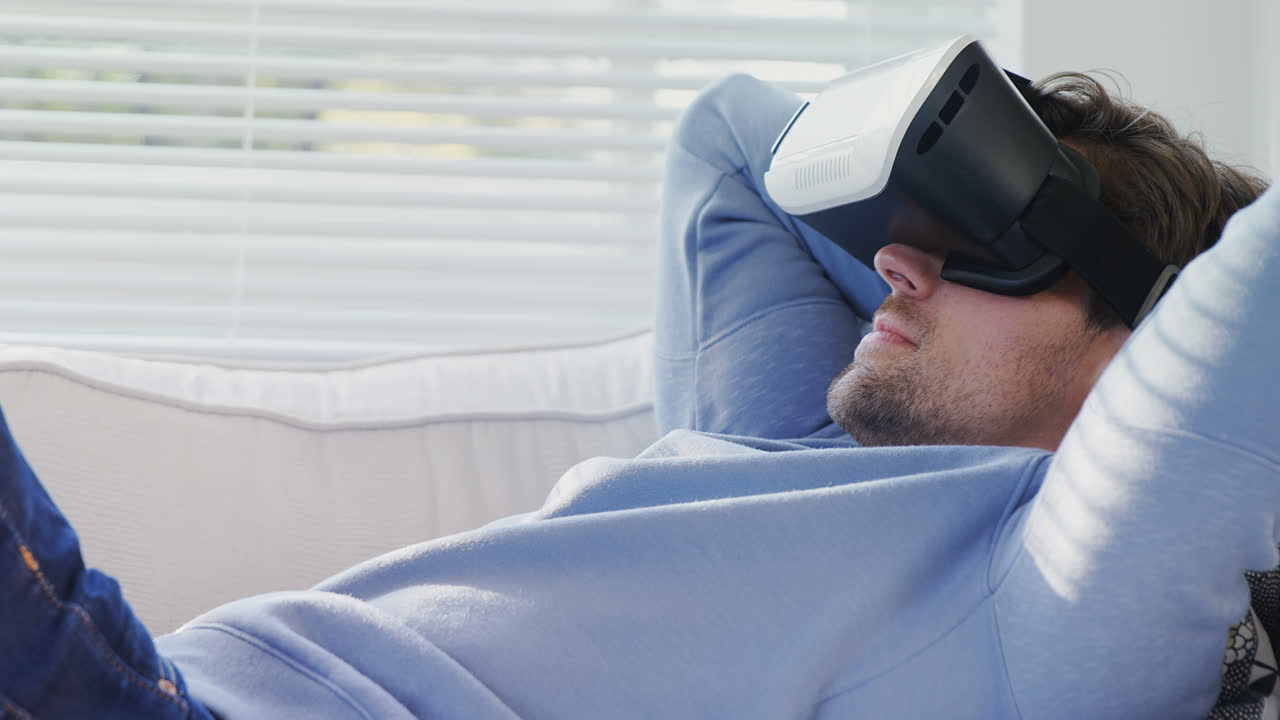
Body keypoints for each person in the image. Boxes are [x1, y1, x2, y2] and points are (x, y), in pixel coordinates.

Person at [0, 65, 1273, 719]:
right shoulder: (781, 435)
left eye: (984, 243)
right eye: (897, 234)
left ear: (1145, 340)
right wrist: (935, 207)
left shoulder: (1056, 596)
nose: (894, 262)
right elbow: (726, 132)